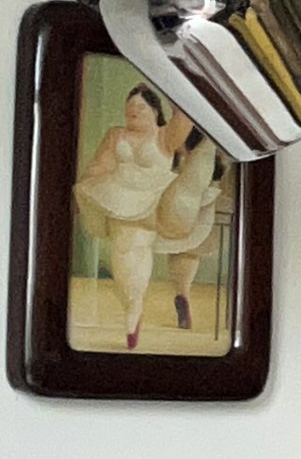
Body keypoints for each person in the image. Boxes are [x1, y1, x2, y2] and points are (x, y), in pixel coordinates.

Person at [74, 77, 224, 350]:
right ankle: (134, 310)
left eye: (141, 107)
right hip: (125, 203)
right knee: (127, 254)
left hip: (161, 200)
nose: (133, 110)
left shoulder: (165, 135)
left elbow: (185, 114)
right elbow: (100, 166)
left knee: (185, 200)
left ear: (155, 112)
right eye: (129, 106)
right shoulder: (116, 135)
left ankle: (183, 294)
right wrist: (93, 188)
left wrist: (164, 76)